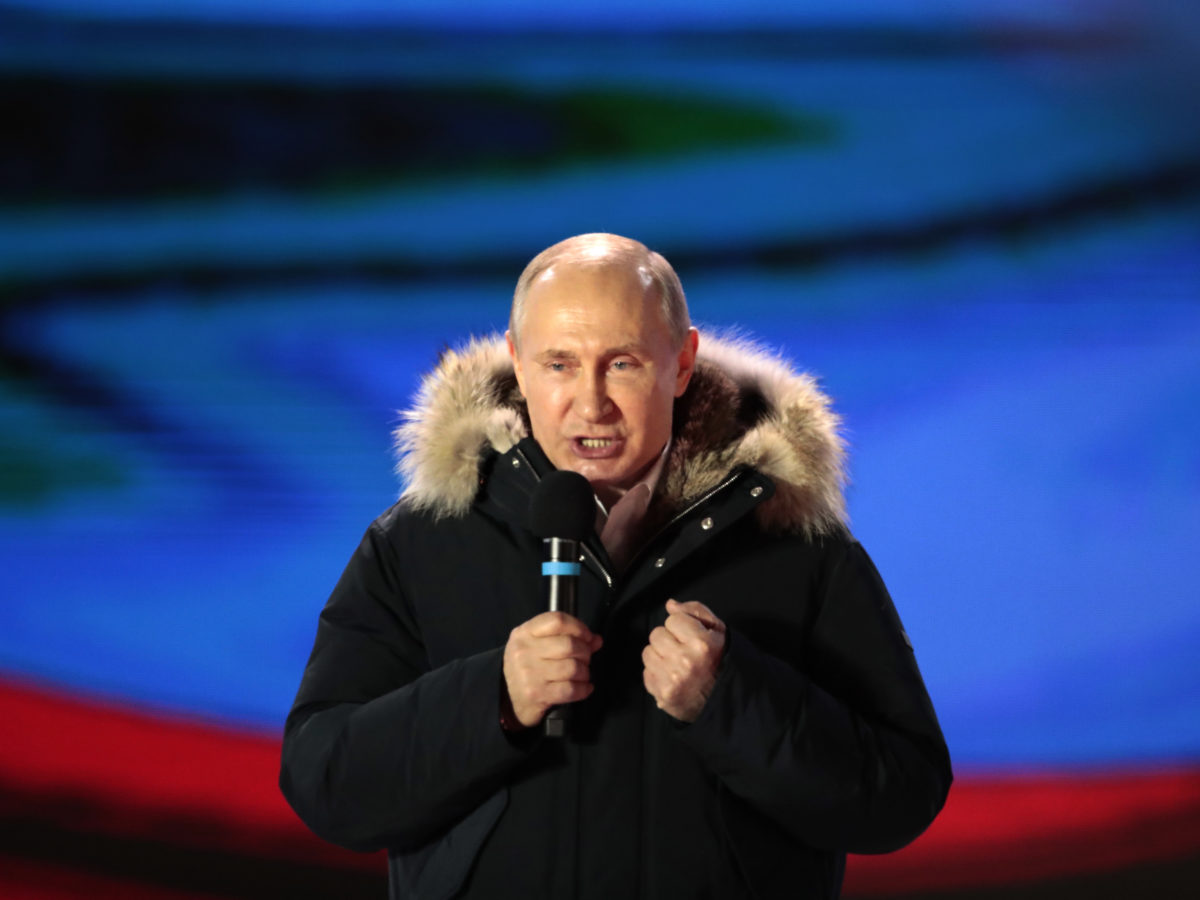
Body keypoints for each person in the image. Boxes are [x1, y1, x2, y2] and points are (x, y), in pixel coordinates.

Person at [280, 233, 951, 899]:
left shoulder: (794, 541)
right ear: (518, 364)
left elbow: (903, 795)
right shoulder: (419, 542)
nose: (591, 402)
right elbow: (326, 785)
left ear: (681, 364)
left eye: (623, 363)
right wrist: (493, 701)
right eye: (559, 364)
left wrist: (734, 701)